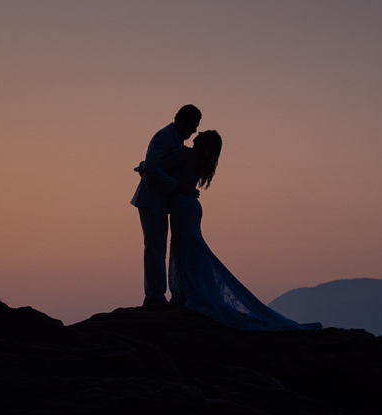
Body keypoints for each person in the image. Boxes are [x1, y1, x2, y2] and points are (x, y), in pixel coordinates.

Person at [149, 128, 320, 331]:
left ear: (204, 142)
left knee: (183, 246)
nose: (198, 132)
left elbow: (160, 166)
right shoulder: (200, 161)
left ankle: (185, 293)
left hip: (182, 205)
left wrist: (144, 166)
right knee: (189, 247)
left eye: (202, 133)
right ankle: (186, 292)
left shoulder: (185, 153)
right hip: (191, 205)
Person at [131, 105, 202, 307]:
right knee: (155, 248)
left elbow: (158, 166)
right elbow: (153, 168)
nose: (194, 131)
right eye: (193, 125)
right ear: (183, 121)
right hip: (151, 199)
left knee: (158, 247)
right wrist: (177, 186)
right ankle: (154, 295)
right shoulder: (163, 136)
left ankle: (158, 294)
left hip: (163, 199)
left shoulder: (176, 139)